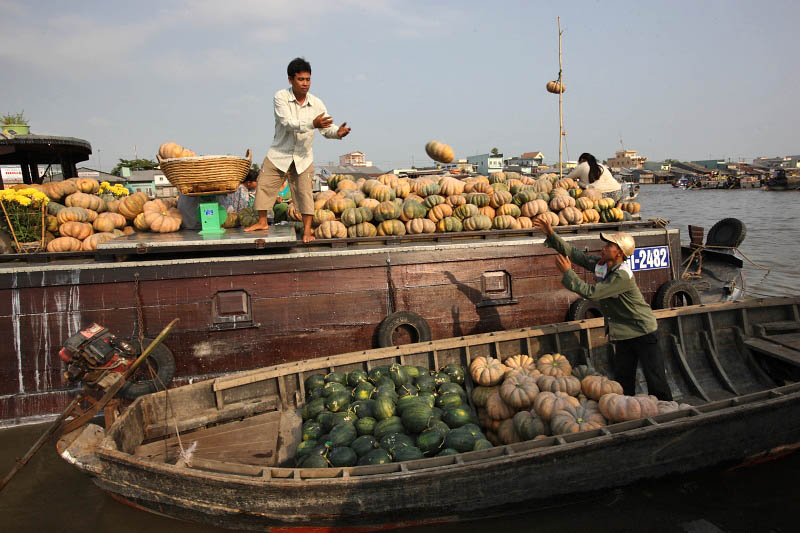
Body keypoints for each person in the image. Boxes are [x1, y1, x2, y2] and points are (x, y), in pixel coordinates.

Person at [532, 216, 673, 401]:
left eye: (609, 246)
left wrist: (568, 273)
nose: (604, 247)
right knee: (623, 379)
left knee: (655, 378)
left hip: (642, 330)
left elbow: (592, 293)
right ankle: (627, 411)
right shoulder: (603, 266)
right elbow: (576, 255)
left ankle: (666, 410)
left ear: (619, 253)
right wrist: (551, 234)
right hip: (623, 332)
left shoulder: (622, 275)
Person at [245, 57, 351, 242]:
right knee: (264, 184)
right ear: (290, 80)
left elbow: (326, 128)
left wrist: (338, 133)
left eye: (308, 79)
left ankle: (307, 231)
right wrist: (312, 123)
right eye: (301, 79)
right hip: (279, 153)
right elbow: (287, 123)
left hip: (303, 156)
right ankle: (262, 222)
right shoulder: (281, 97)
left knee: (304, 194)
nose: (305, 84)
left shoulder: (317, 103)